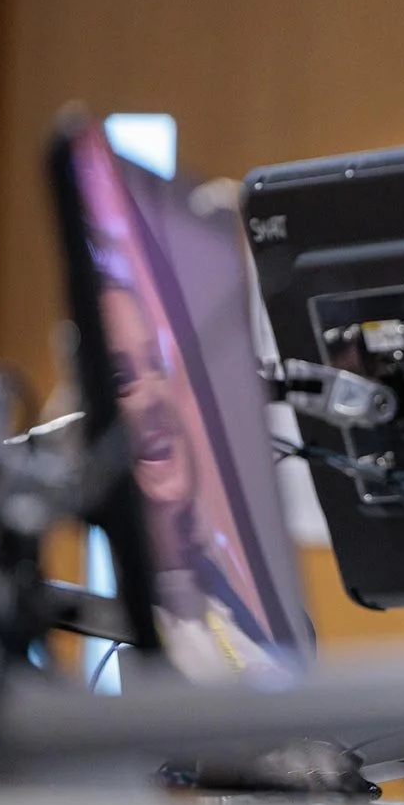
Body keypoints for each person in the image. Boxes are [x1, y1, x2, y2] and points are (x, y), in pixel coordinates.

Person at [99, 276, 293, 683]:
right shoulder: (102, 635)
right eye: (121, 380)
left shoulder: (231, 588)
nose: (155, 396)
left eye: (158, 366)